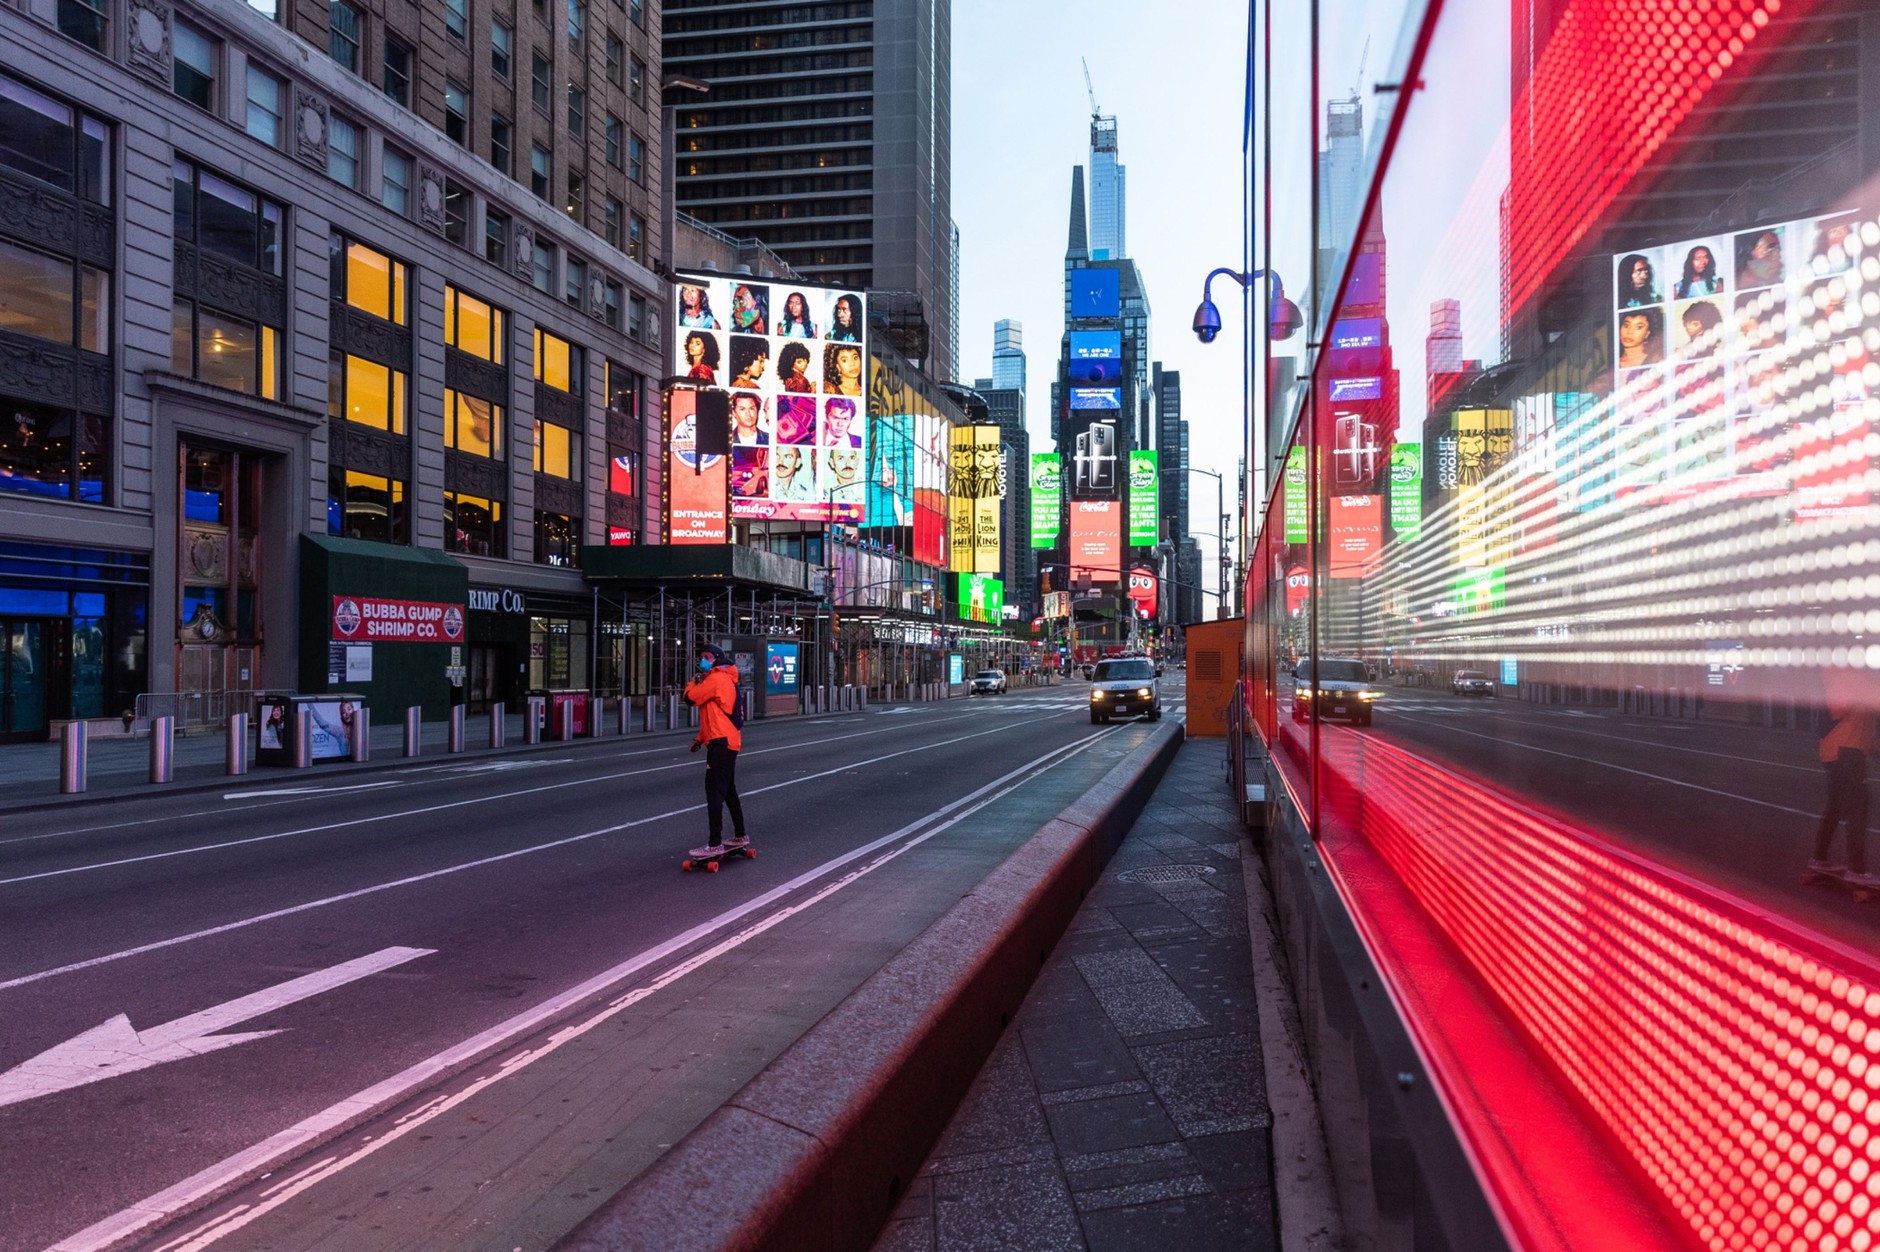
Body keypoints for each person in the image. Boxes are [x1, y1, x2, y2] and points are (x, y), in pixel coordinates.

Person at [1812, 671, 1877, 888]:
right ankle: (1856, 869)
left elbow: (1859, 722)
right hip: (1845, 751)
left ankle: (1819, 859)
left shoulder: (1851, 677)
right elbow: (1838, 708)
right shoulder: (1848, 677)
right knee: (1858, 808)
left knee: (1837, 806)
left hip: (1842, 750)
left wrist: (1873, 748)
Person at [685, 644, 748, 857]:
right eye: (702, 656)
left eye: (707, 657)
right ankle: (740, 835)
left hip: (721, 743)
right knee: (728, 789)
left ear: (718, 659)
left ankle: (714, 843)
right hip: (725, 739)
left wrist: (692, 682)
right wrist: (699, 739)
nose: (703, 660)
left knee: (714, 791)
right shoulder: (722, 679)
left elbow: (690, 698)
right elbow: (713, 717)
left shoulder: (717, 679)